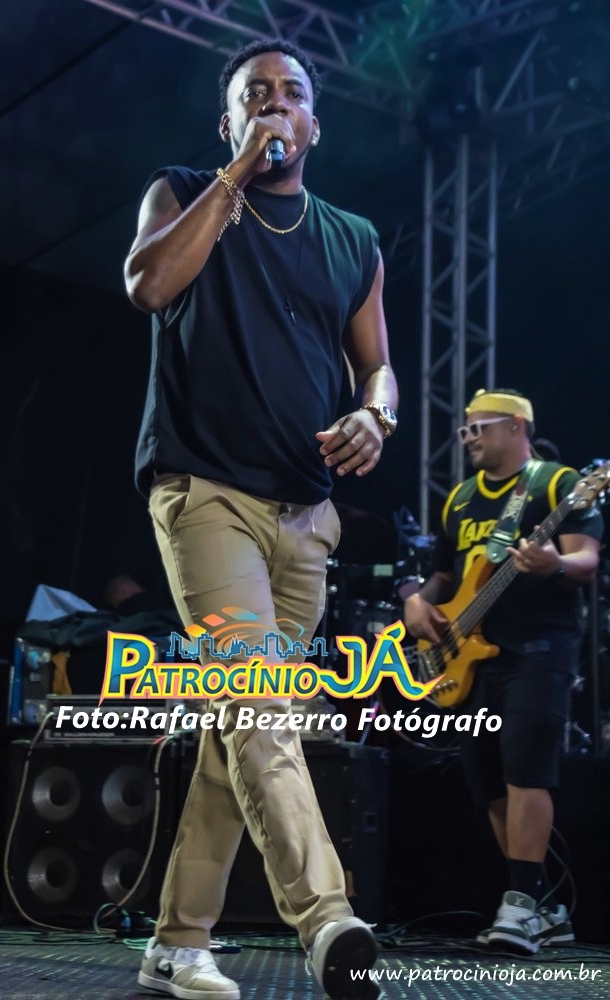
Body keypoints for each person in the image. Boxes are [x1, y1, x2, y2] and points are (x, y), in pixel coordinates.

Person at [123, 38, 398, 1000]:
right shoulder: (182, 191)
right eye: (255, 96)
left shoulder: (352, 239)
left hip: (306, 518)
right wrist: (235, 175)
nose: (276, 105)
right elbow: (150, 285)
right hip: (206, 496)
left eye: (292, 94)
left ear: (315, 123)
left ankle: (176, 941)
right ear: (230, 121)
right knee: (260, 712)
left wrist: (376, 415)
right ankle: (329, 921)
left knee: (235, 736)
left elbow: (377, 366)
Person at [404, 388, 603, 955]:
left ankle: (517, 904)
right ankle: (544, 906)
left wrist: (554, 563)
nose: (469, 438)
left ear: (517, 427)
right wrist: (415, 602)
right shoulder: (460, 498)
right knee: (486, 779)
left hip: (539, 649)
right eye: (465, 430)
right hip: (471, 657)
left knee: (526, 770)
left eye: (480, 428)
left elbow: (586, 560)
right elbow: (443, 577)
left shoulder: (558, 484)